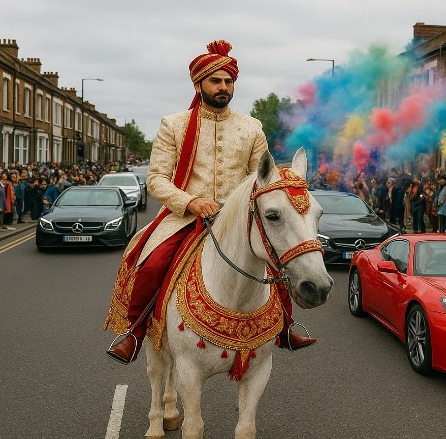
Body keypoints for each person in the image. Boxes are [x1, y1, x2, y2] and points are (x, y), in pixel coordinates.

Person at [104, 40, 314, 364]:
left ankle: (285, 325)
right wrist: (191, 202)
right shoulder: (173, 124)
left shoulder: (251, 127)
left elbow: (263, 177)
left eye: (229, 81)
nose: (223, 87)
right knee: (153, 262)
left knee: (275, 257)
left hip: (238, 218)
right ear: (199, 83)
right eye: (216, 81)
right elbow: (156, 178)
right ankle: (135, 332)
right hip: (186, 214)